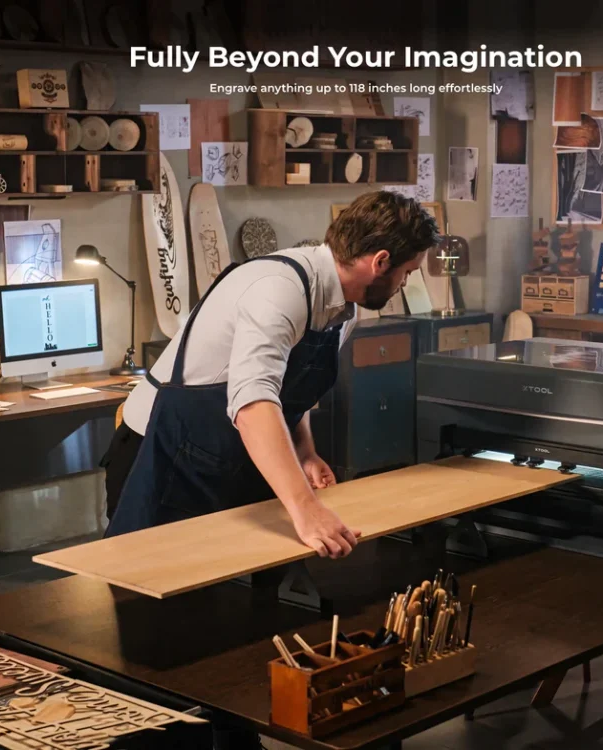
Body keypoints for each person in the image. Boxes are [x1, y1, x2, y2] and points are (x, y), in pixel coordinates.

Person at [102, 191, 440, 562]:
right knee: (145, 592)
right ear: (380, 261)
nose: (404, 285)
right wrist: (306, 508)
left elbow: (290, 391)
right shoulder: (279, 290)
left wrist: (305, 452)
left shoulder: (344, 309)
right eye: (407, 272)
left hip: (225, 459)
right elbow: (253, 405)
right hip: (158, 456)